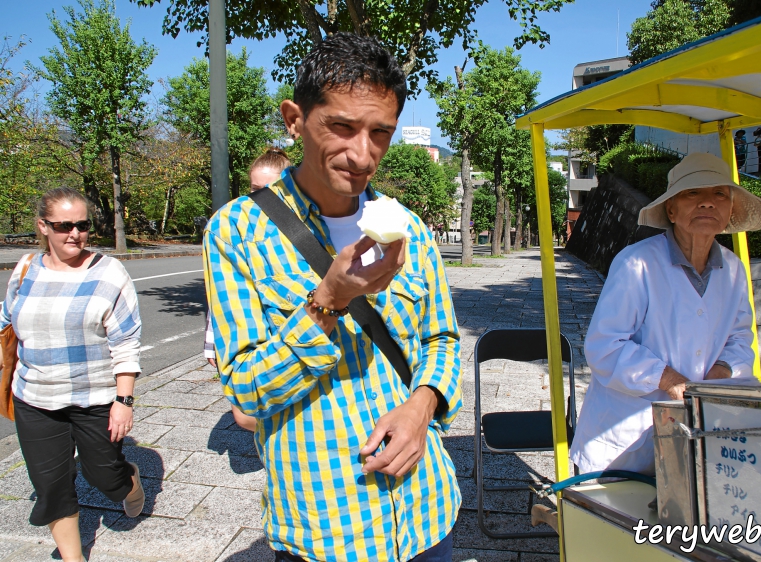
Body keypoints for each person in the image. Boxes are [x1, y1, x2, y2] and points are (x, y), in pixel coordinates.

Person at [203, 33, 461, 561]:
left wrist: (422, 405)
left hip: (428, 514)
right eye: (341, 127)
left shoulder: (409, 228)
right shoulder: (236, 232)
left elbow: (442, 339)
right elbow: (247, 393)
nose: (362, 154)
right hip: (325, 529)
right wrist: (328, 300)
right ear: (295, 119)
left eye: (381, 134)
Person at [569, 153, 761, 476]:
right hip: (625, 439)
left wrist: (717, 376)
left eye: (719, 194)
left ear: (730, 209)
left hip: (696, 433)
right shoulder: (637, 262)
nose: (707, 203)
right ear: (671, 209)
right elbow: (605, 346)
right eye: (693, 193)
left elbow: (741, 339)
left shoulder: (733, 270)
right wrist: (671, 380)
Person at [0, 188, 144, 562]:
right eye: (64, 226)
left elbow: (126, 341)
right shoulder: (26, 268)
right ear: (43, 227)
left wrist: (123, 400)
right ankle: (73, 557)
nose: (75, 234)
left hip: (94, 398)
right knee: (51, 486)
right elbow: (6, 319)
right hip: (34, 398)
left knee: (105, 479)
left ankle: (128, 478)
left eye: (82, 225)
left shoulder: (109, 272)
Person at [203, 147, 291, 432]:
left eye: (271, 189)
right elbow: (221, 295)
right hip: (246, 335)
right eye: (255, 189)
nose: (262, 198)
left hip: (285, 338)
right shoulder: (232, 227)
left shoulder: (303, 228)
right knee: (245, 416)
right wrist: (212, 342)